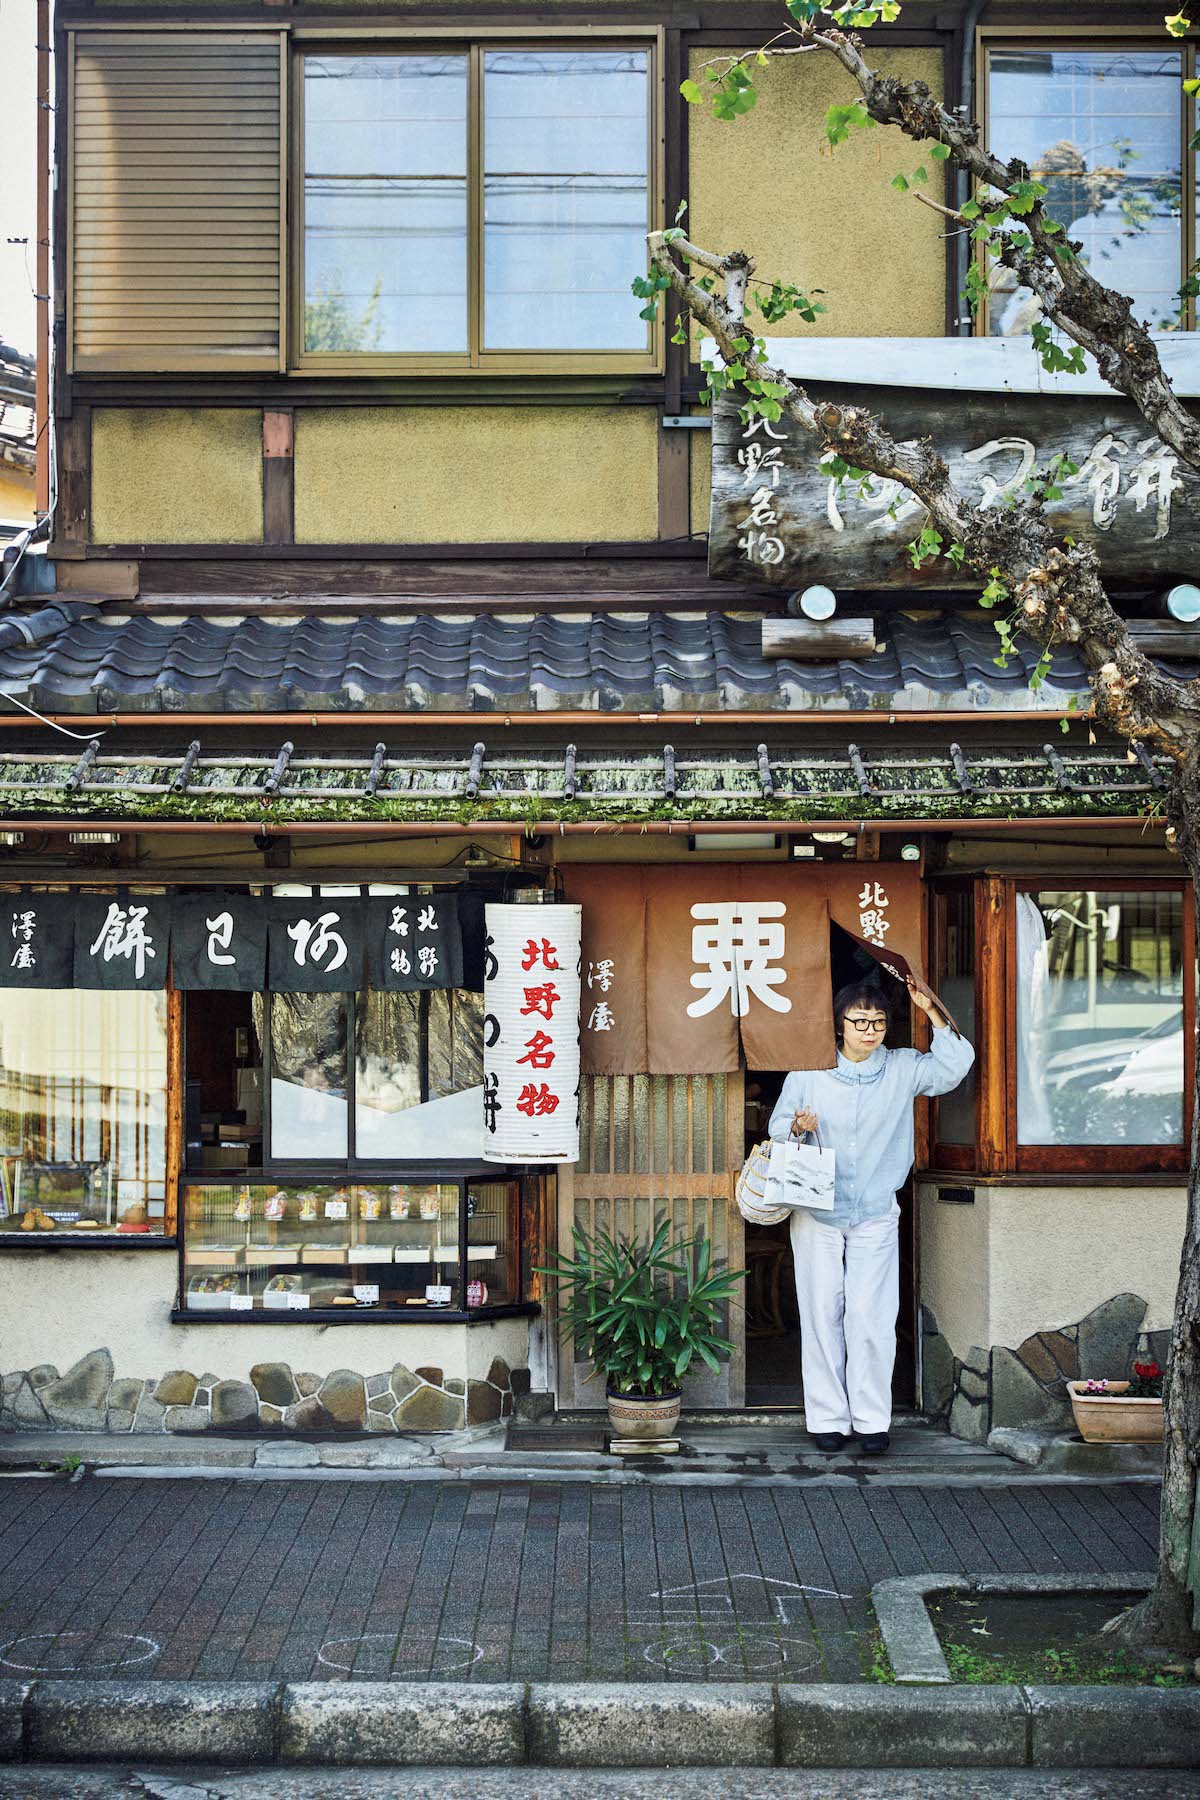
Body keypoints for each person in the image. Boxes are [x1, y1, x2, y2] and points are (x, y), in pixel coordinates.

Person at [767, 976, 974, 1456]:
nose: (869, 1030)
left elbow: (955, 1065)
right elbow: (778, 1132)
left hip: (877, 1208)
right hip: (817, 1209)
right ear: (839, 1024)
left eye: (878, 1021)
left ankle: (872, 1420)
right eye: (858, 1021)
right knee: (821, 1312)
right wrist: (797, 1128)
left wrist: (932, 1012)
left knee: (871, 1314)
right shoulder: (809, 1072)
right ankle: (827, 1419)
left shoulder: (902, 1067)